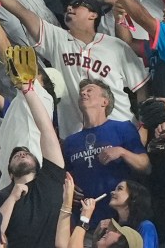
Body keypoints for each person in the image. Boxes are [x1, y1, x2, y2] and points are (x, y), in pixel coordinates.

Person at [0, 0, 149, 138]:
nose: (69, 7)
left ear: (93, 14)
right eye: (68, 5)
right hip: (75, 138)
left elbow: (141, 87)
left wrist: (143, 126)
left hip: (120, 131)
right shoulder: (58, 39)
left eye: (77, 5)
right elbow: (21, 11)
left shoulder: (115, 46)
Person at [0, 51, 66, 248]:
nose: (21, 152)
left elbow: (46, 129)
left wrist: (29, 89)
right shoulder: (2, 197)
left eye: (26, 153)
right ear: (9, 172)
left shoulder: (50, 180)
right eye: (15, 156)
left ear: (39, 164)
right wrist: (12, 197)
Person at [63, 79, 150, 229]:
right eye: (82, 92)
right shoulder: (70, 142)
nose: (83, 93)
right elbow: (65, 174)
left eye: (90, 90)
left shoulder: (123, 128)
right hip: (84, 223)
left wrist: (122, 152)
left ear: (105, 101)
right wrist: (69, 187)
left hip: (121, 223)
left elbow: (146, 166)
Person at [107, 181, 159, 247]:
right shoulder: (111, 225)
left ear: (133, 197)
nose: (112, 192)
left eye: (120, 189)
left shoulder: (146, 227)